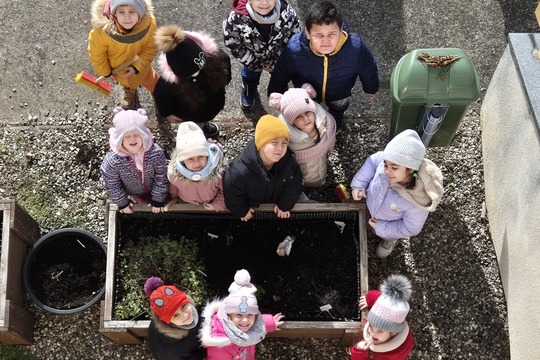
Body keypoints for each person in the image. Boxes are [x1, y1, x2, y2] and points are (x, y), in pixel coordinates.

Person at [267, 0, 379, 130]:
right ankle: (313, 129)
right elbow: (280, 74)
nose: (326, 41)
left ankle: (335, 121)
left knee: (339, 108)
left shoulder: (356, 48)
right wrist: (276, 95)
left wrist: (371, 88)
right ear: (308, 33)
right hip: (307, 93)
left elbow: (368, 68)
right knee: (309, 112)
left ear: (341, 30)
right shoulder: (294, 49)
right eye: (319, 35)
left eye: (331, 34)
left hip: (340, 93)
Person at [350, 129, 444, 258]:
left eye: (394, 168)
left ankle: (389, 239)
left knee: (389, 232)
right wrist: (359, 185)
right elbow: (373, 161)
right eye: (385, 165)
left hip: (388, 222)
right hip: (372, 204)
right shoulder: (388, 162)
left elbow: (411, 228)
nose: (387, 171)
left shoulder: (417, 200)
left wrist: (381, 227)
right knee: (366, 218)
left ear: (411, 169)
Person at [153, 24, 232, 139]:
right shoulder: (168, 83)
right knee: (192, 125)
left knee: (204, 118)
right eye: (189, 74)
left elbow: (226, 71)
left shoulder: (217, 58)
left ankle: (203, 124)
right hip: (188, 112)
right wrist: (167, 113)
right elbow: (161, 97)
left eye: (200, 68)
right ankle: (195, 129)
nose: (197, 74)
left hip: (214, 101)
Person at [223, 0, 301, 110]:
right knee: (250, 76)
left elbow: (294, 41)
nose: (264, 2)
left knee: (280, 77)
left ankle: (279, 89)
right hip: (252, 60)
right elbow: (232, 43)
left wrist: (277, 63)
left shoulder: (288, 15)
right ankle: (249, 88)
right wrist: (253, 63)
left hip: (278, 61)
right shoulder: (236, 19)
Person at [223, 115, 303, 221]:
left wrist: (284, 205)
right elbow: (232, 193)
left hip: (275, 199)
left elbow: (294, 185)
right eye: (274, 143)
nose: (280, 148)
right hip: (252, 202)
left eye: (284, 143)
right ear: (260, 144)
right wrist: (242, 210)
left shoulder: (289, 163)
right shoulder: (240, 172)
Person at [199, 269, 285, 359]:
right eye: (239, 315)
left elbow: (258, 322)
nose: (245, 320)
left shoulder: (246, 324)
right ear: (229, 316)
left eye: (249, 315)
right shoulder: (220, 346)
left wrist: (271, 323)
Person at [88, 0, 158, 109]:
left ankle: (157, 91)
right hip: (119, 68)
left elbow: (151, 48)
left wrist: (138, 66)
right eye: (121, 12)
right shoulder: (101, 32)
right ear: (113, 13)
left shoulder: (148, 24)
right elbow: (97, 56)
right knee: (125, 81)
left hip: (142, 64)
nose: (127, 17)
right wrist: (106, 72)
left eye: (132, 11)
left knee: (149, 79)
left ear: (140, 11)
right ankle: (128, 90)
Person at [100, 107, 169, 214]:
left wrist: (157, 199)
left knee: (164, 201)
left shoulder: (155, 153)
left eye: (137, 134)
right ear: (119, 139)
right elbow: (112, 184)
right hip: (132, 193)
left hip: (154, 189)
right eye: (126, 136)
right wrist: (122, 203)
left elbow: (162, 175)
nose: (132, 139)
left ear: (144, 135)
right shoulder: (113, 160)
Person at [268, 83, 336, 187]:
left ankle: (320, 182)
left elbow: (330, 137)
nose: (306, 119)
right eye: (298, 117)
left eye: (308, 112)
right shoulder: (286, 140)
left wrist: (330, 147)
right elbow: (283, 164)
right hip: (304, 178)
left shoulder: (325, 123)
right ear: (291, 122)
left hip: (322, 165)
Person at [349, 274, 413, 360]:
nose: (372, 334)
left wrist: (359, 351)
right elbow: (377, 296)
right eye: (371, 326)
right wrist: (368, 298)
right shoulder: (385, 306)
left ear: (393, 333)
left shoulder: (392, 355)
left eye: (380, 331)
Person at [168, 122, 227, 211]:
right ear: (182, 161)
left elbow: (226, 191)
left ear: (207, 155)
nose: (197, 163)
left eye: (200, 156)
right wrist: (173, 194)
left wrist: (218, 204)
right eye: (190, 159)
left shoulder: (217, 172)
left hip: (211, 200)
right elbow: (173, 185)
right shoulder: (174, 174)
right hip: (187, 200)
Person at [144, 277, 207, 360]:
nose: (185, 315)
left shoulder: (161, 315)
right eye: (175, 315)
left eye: (183, 306)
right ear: (168, 322)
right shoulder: (178, 348)